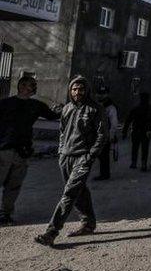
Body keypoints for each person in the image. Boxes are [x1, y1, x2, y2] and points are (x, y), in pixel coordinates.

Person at [34, 76, 108, 245]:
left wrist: (90, 156)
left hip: (82, 158)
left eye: (80, 89)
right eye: (74, 89)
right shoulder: (67, 108)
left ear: (86, 90)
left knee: (69, 193)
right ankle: (88, 224)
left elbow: (102, 135)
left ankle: (51, 232)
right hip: (66, 156)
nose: (77, 92)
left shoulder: (95, 109)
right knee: (79, 190)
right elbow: (62, 132)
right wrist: (61, 151)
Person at [0, 75, 61, 225]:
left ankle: (4, 215)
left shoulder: (37, 105)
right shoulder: (5, 104)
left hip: (23, 152)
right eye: (31, 85)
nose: (34, 87)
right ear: (21, 86)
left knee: (13, 185)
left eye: (34, 85)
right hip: (4, 150)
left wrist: (67, 108)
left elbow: (53, 115)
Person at [122, 93, 151, 171]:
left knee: (135, 147)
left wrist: (124, 131)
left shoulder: (136, 109)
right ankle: (143, 163)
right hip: (146, 131)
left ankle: (134, 162)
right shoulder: (150, 109)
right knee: (145, 148)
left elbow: (128, 120)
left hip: (136, 130)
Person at [94, 93, 119, 181]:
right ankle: (104, 173)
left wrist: (111, 135)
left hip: (105, 135)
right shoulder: (105, 108)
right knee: (102, 156)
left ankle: (104, 174)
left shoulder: (110, 109)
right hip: (102, 135)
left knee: (103, 156)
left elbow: (114, 123)